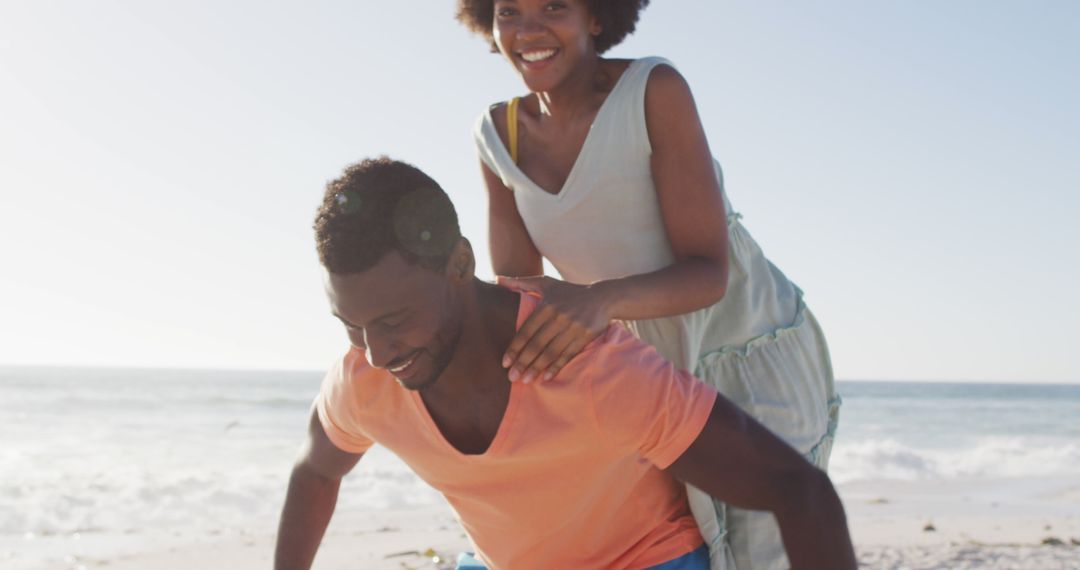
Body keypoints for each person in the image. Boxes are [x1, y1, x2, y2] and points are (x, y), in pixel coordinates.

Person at [273, 157, 854, 570]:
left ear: (459, 264)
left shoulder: (593, 372)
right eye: (352, 324)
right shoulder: (363, 379)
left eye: (394, 321)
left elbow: (799, 492)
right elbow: (317, 471)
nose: (377, 352)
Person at [459, 1, 841, 567]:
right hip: (643, 376)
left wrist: (601, 300)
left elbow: (707, 271)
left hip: (743, 356)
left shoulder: (652, 91)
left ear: (595, 16)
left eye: (554, 7)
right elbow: (521, 297)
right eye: (509, 10)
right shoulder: (497, 137)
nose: (529, 29)